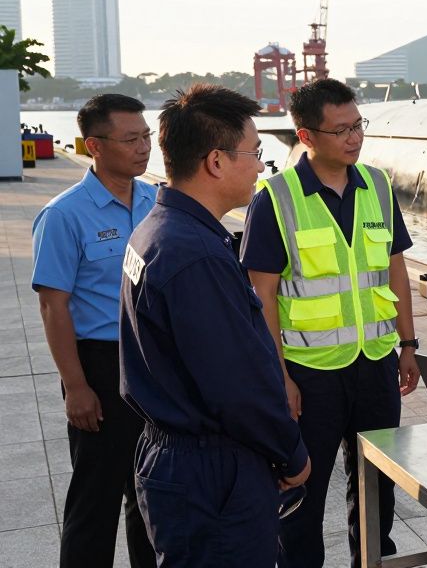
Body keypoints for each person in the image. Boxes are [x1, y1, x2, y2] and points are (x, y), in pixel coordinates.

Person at [120, 84, 310, 566]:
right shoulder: (194, 254)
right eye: (256, 152)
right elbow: (235, 384)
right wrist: (291, 455)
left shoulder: (160, 230)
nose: (262, 166)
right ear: (216, 161)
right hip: (211, 469)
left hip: (179, 453)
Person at [241, 78, 419, 568]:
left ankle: (372, 561)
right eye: (341, 130)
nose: (354, 138)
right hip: (309, 373)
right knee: (303, 490)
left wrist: (408, 344)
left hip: (376, 364)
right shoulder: (275, 199)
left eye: (358, 125)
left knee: (377, 487)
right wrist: (278, 378)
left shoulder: (378, 186)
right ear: (306, 137)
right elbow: (263, 296)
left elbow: (395, 267)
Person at [31, 94, 155, 568]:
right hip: (99, 365)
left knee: (150, 492)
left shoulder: (155, 201)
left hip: (151, 363)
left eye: (145, 136)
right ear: (93, 146)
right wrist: (77, 386)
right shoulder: (64, 215)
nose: (143, 148)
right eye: (130, 139)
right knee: (95, 499)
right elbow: (53, 306)